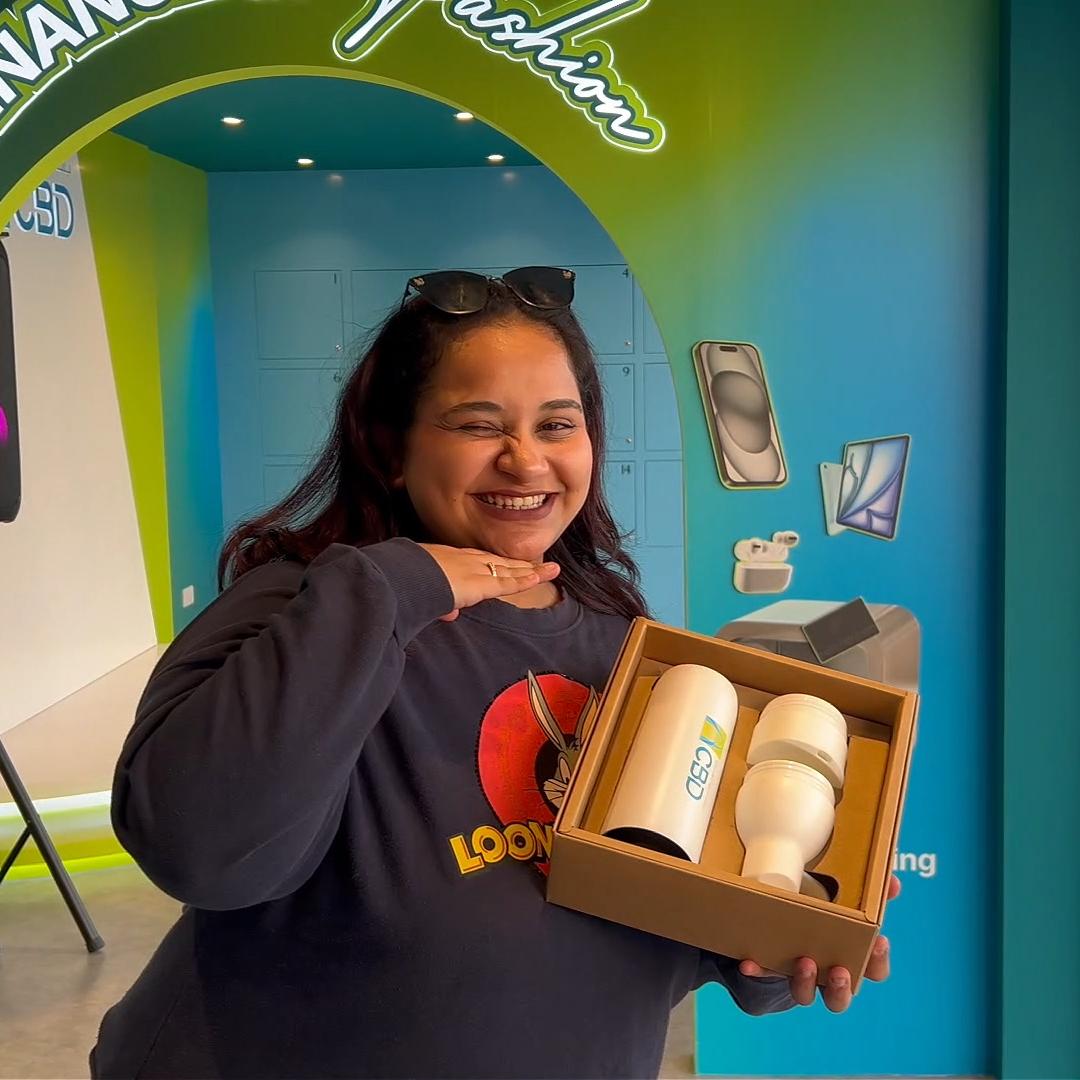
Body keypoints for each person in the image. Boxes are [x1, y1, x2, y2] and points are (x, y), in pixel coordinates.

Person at [90, 267, 897, 1079]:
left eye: (557, 424)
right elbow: (202, 848)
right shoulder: (303, 605)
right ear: (390, 448)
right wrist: (393, 588)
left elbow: (656, 895)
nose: (525, 460)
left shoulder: (626, 648)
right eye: (479, 425)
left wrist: (757, 946)